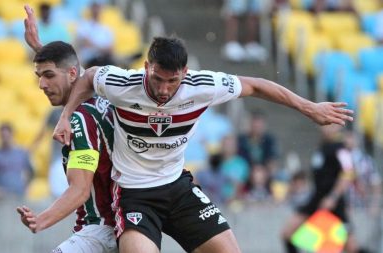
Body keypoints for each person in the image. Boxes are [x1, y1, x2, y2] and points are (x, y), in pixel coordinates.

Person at [24, 5, 353, 252]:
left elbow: (256, 85)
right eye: (157, 79)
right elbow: (85, 76)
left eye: (173, 81)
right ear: (146, 68)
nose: (165, 91)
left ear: (186, 72)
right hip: (135, 197)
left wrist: (309, 107)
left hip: (177, 188)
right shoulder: (122, 85)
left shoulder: (202, 86)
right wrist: (65, 113)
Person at [16, 39, 117, 253]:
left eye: (48, 76)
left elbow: (80, 190)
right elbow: (71, 69)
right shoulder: (99, 99)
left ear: (72, 74)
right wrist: (39, 47)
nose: (42, 85)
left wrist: (40, 220)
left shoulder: (79, 119)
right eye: (39, 76)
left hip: (100, 229)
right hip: (116, 225)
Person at [281, 125, 359, 253]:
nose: (325, 128)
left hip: (333, 203)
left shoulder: (340, 148)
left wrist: (333, 197)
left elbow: (348, 173)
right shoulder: (322, 146)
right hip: (317, 199)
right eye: (324, 124)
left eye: (330, 124)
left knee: (351, 248)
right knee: (287, 232)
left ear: (338, 126)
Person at [0, 122, 34, 199]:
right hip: (2, 196)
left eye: (7, 136)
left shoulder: (22, 153)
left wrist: (27, 187)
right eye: (3, 136)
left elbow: (31, 172)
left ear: (12, 135)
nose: (5, 139)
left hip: (19, 194)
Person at [29, 107, 68, 198]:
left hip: (76, 157)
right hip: (58, 158)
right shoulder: (55, 113)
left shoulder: (81, 110)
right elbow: (43, 132)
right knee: (58, 193)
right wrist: (31, 149)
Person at [75, 1, 114, 68]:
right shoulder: (83, 25)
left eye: (98, 7)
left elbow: (110, 50)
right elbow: (82, 42)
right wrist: (101, 48)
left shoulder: (107, 28)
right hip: (88, 61)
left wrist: (93, 45)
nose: (96, 10)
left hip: (103, 60)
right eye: (94, 7)